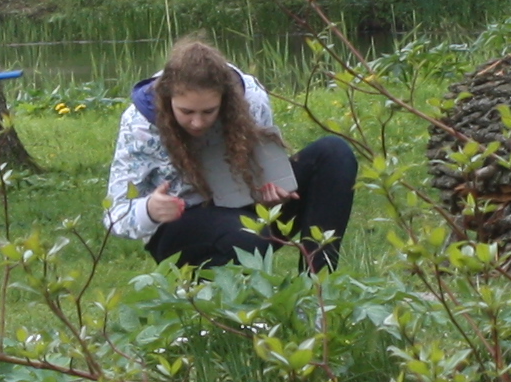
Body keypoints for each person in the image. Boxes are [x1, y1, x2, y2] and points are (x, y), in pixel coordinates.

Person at [107, 35, 359, 271]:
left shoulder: (250, 98)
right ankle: (239, 309)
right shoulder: (139, 123)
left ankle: (317, 291)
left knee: (334, 153)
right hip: (181, 224)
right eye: (186, 112)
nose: (197, 123)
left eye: (208, 112)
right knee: (246, 238)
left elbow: (263, 166)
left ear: (226, 101)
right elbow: (115, 215)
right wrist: (149, 209)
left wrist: (270, 192)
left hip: (245, 206)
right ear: (167, 99)